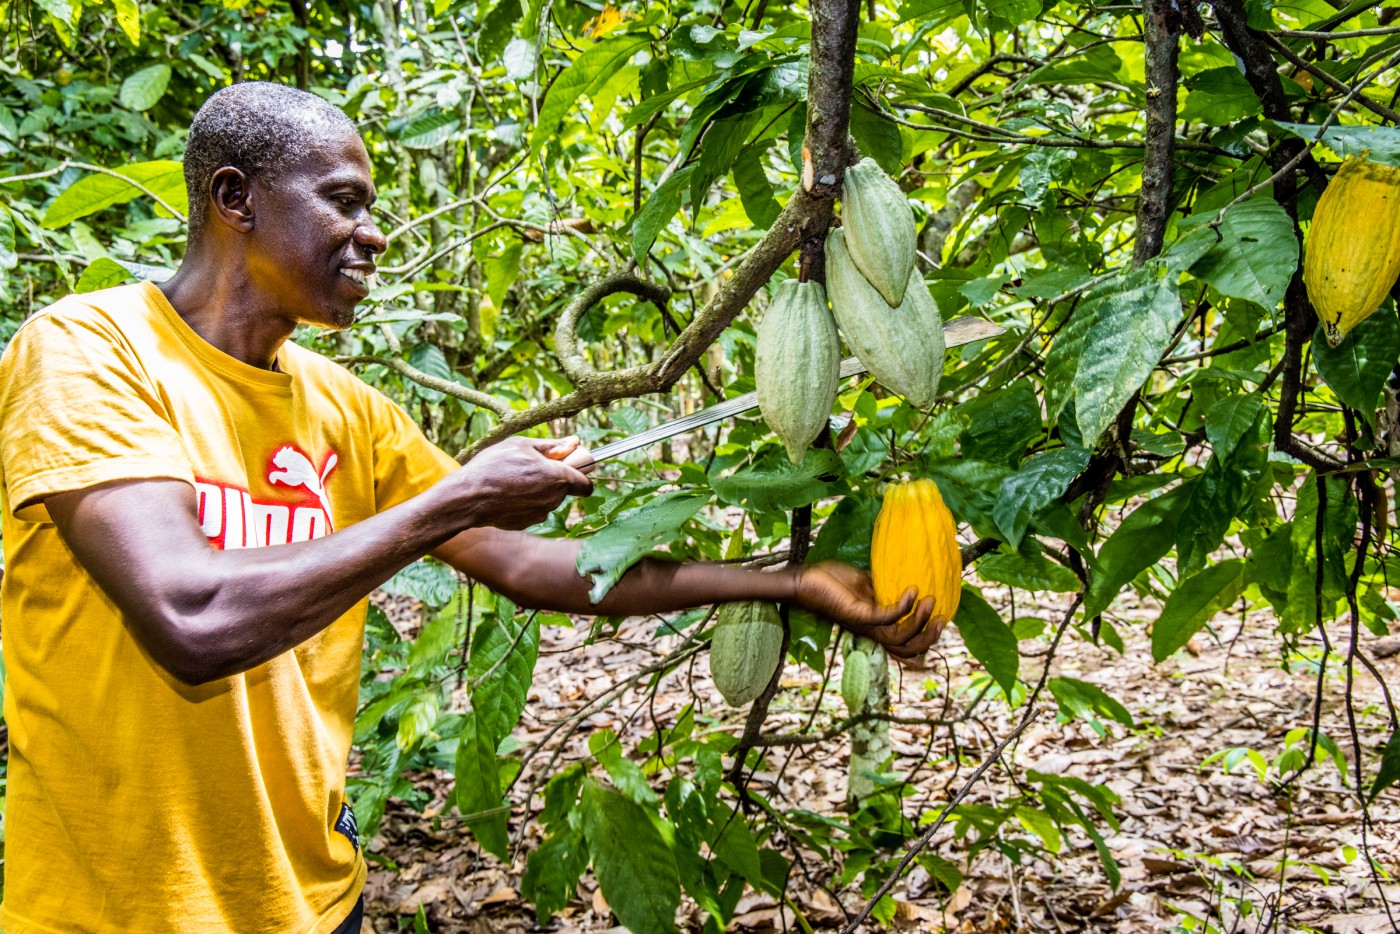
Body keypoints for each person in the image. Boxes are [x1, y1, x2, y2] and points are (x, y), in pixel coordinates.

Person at [0, 82, 941, 933]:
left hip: (311, 899)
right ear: (236, 198)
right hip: (113, 909)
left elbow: (530, 566)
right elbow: (190, 615)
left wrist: (792, 583)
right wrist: (450, 501)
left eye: (372, 207)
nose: (372, 234)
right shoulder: (89, 352)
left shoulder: (343, 407)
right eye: (344, 201)